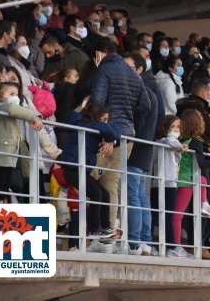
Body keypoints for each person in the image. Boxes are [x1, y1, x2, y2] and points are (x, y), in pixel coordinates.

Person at [90, 38, 151, 228]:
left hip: (106, 134)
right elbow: (145, 105)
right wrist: (131, 126)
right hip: (126, 136)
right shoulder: (134, 75)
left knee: (88, 180)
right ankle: (108, 232)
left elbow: (97, 101)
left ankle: (89, 232)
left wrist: (105, 129)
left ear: (100, 53)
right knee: (111, 184)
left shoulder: (104, 69)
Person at [57, 102, 122, 253]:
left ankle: (105, 228)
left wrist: (111, 141)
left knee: (104, 193)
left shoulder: (94, 126)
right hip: (72, 168)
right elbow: (113, 131)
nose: (106, 122)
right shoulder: (88, 124)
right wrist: (111, 139)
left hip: (80, 169)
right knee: (96, 194)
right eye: (104, 119)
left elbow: (116, 130)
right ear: (97, 118)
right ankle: (95, 229)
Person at [124, 53, 159, 256]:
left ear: (139, 70)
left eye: (128, 66)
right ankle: (144, 241)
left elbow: (135, 121)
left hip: (135, 148)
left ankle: (135, 241)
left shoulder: (140, 91)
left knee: (133, 196)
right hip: (144, 148)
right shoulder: (150, 91)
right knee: (140, 196)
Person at [0, 82, 43, 203]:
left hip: (10, 159)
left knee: (2, 193)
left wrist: (36, 116)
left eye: (17, 94)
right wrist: (33, 118)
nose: (15, 97)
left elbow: (22, 109)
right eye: (11, 94)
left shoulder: (15, 110)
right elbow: (13, 109)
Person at [173, 109, 210, 260]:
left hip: (182, 179)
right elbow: (201, 163)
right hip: (187, 180)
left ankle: (204, 203)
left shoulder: (184, 140)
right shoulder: (195, 141)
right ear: (197, 124)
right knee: (177, 216)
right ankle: (177, 247)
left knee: (203, 181)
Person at [151, 115, 191, 258]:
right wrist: (180, 146)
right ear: (165, 127)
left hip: (166, 183)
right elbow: (170, 140)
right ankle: (171, 247)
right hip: (164, 183)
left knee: (161, 216)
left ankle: (164, 246)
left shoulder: (168, 143)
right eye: (173, 126)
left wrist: (178, 147)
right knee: (162, 216)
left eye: (178, 127)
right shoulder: (163, 141)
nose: (176, 129)